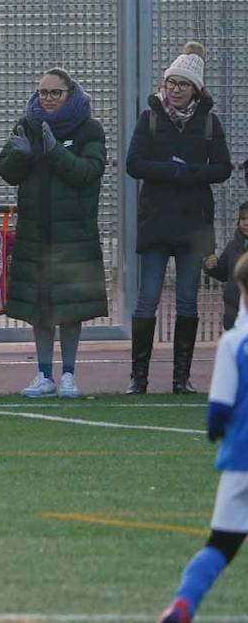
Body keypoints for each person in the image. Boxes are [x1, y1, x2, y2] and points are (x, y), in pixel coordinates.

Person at [125, 41, 233, 395]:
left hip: (193, 224)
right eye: (171, 82)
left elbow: (222, 168)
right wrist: (172, 172)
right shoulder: (150, 118)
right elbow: (134, 164)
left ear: (196, 90)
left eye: (183, 84)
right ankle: (138, 378)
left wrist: (189, 173)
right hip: (155, 221)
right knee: (147, 297)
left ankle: (180, 379)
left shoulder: (209, 123)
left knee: (188, 298)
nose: (175, 90)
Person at [0, 68, 108, 399]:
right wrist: (20, 154)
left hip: (74, 233)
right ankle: (43, 374)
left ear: (69, 93)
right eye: (42, 92)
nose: (47, 99)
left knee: (70, 308)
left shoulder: (89, 128)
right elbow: (7, 172)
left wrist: (55, 151)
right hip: (35, 232)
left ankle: (69, 375)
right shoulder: (26, 124)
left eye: (54, 93)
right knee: (40, 308)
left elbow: (89, 171)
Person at [156, 251, 248, 623]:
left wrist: (216, 432)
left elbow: (219, 411)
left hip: (241, 462)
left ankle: (183, 605)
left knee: (221, 545)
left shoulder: (233, 343)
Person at [204, 203, 248, 332]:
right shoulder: (232, 245)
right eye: (243, 219)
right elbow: (223, 273)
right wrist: (211, 266)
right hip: (233, 307)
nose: (246, 223)